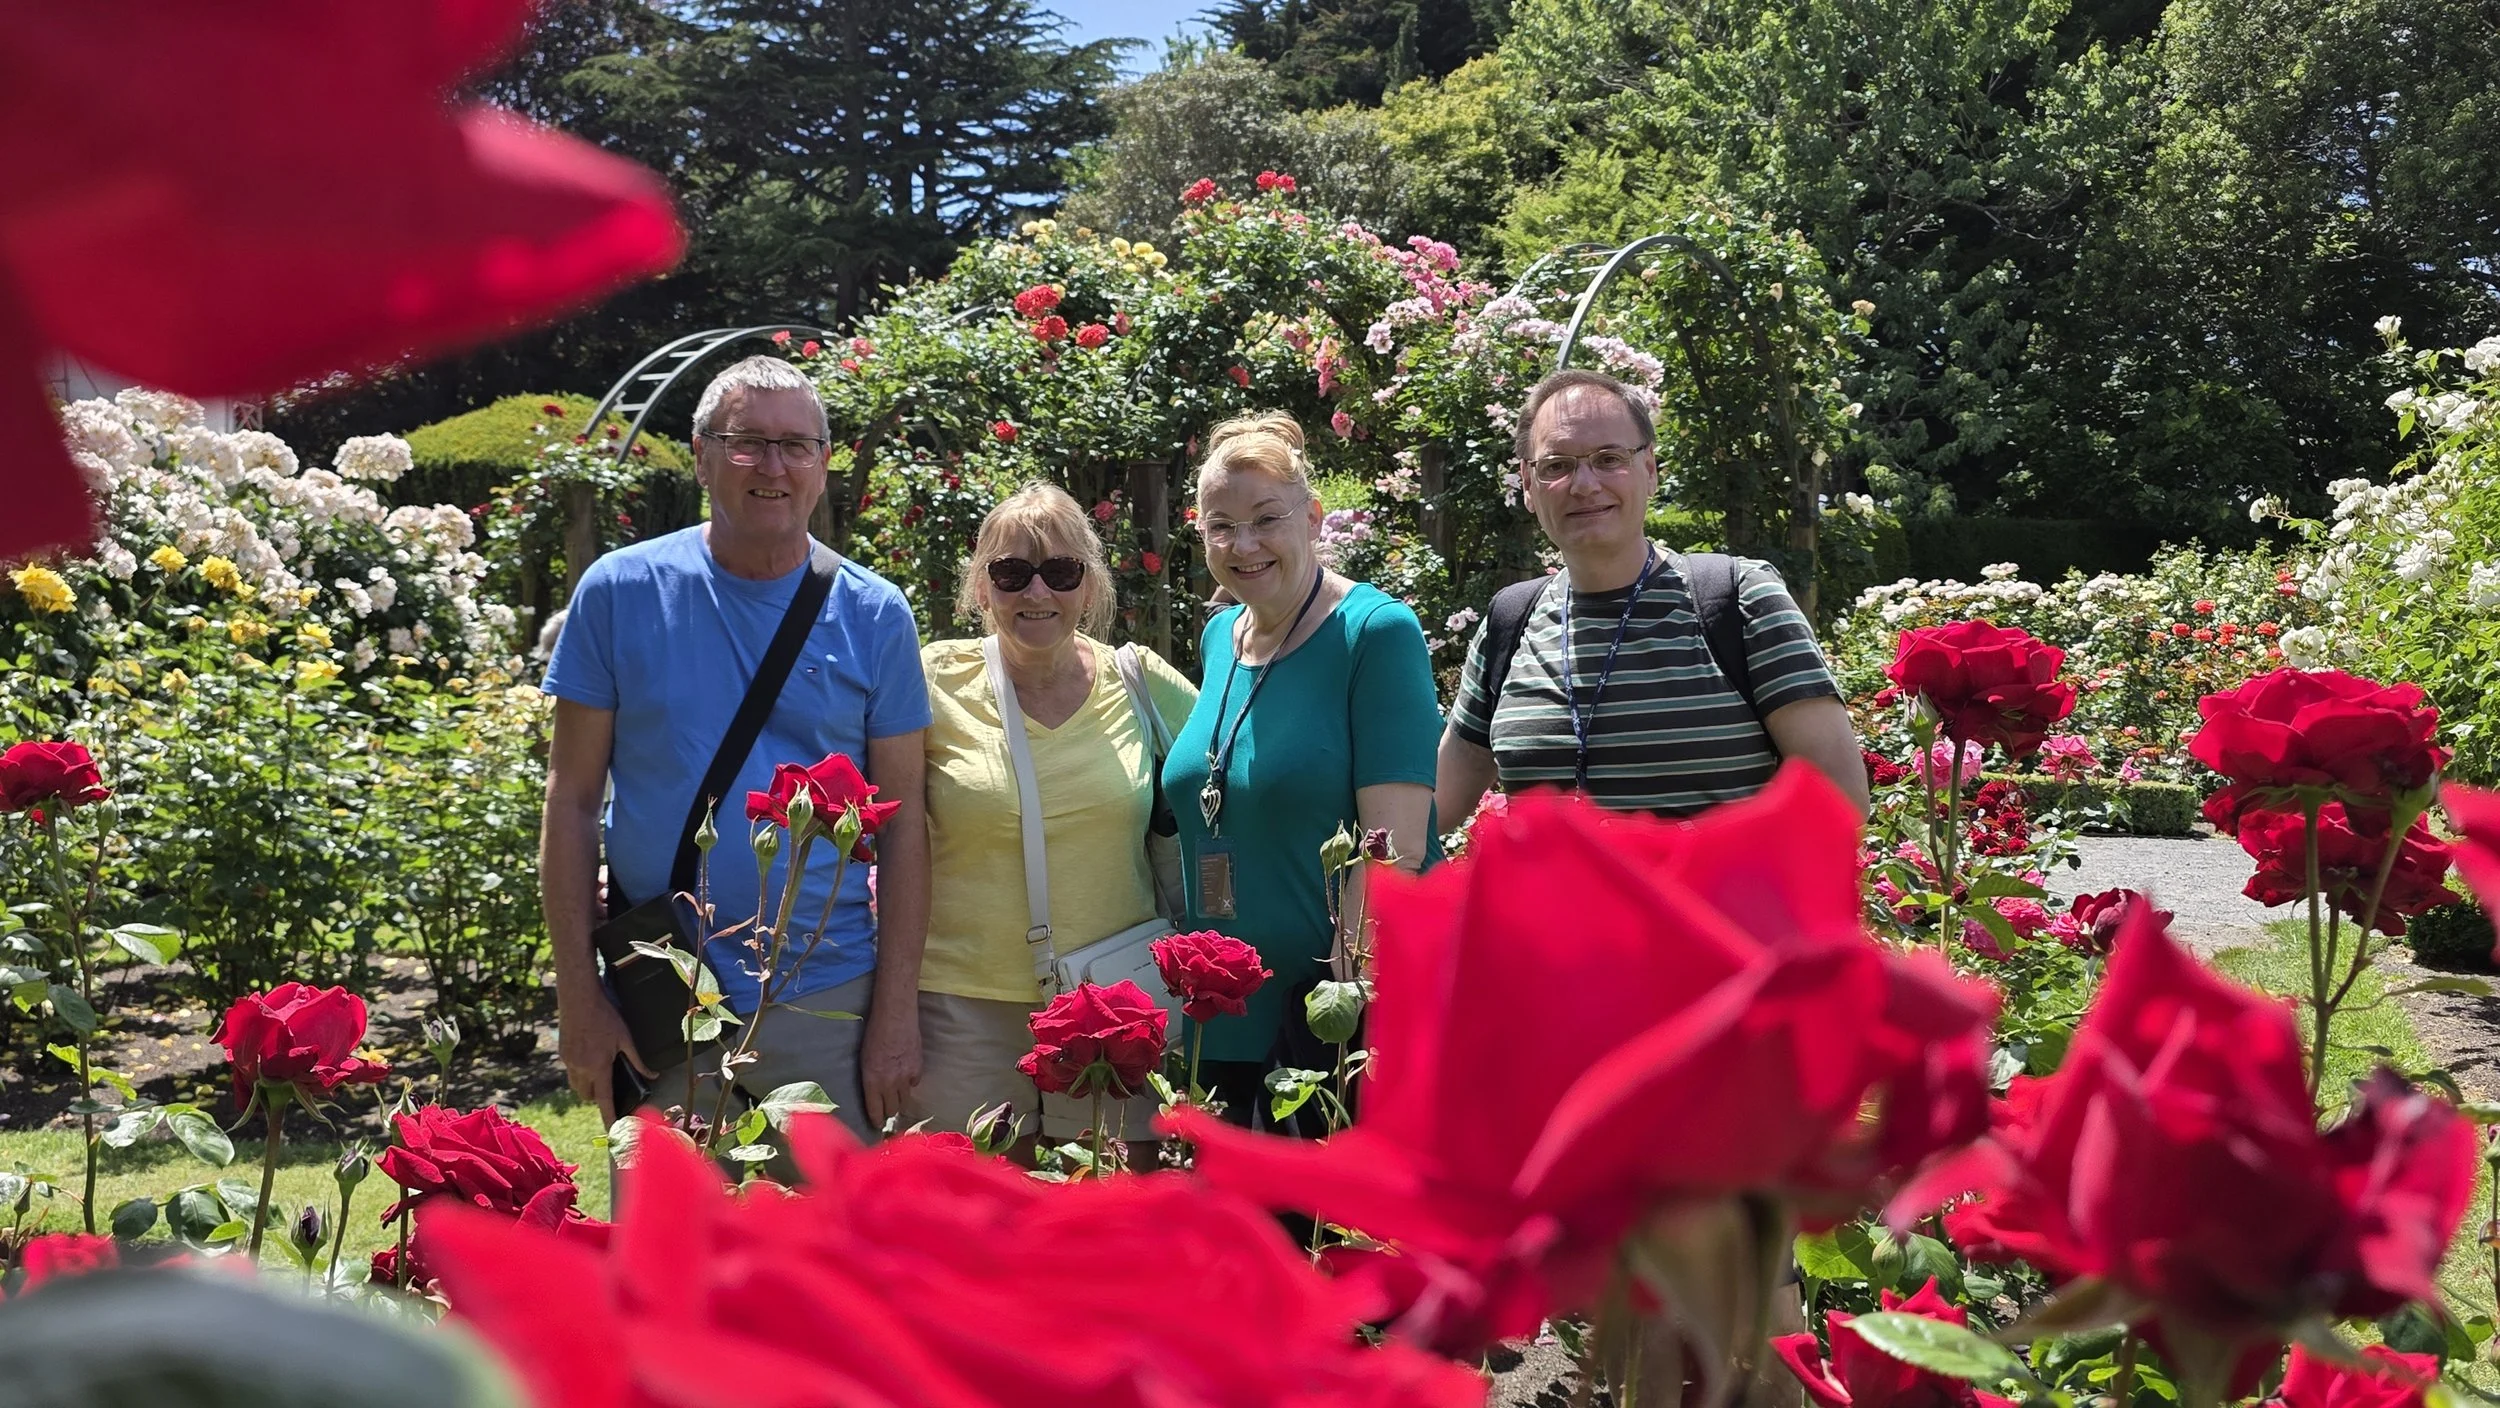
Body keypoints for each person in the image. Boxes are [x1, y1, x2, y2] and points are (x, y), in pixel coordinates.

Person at [540, 355, 932, 1142]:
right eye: (748, 442)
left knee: (824, 1258)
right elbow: (572, 801)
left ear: (825, 463)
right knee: (671, 1259)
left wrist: (893, 1016)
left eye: (797, 446)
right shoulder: (620, 593)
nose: (774, 467)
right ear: (701, 453)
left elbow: (905, 823)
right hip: (660, 1001)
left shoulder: (874, 613)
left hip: (829, 1002)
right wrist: (579, 1000)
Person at [1162, 412, 1442, 1123]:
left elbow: (1395, 852)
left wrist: (1336, 1023)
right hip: (1221, 1018)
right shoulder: (1222, 635)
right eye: (1220, 526)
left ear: (1313, 517)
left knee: (1314, 1233)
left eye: (1266, 519)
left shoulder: (1375, 633)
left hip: (1326, 1029)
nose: (1243, 544)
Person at [1436, 369, 1867, 824]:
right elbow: (1428, 812)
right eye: (1557, 465)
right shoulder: (1511, 621)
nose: (1584, 484)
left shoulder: (1740, 601)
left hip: (1713, 897)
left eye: (1608, 458)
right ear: (1527, 484)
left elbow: (1840, 803)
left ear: (1650, 469)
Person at [909, 483, 1197, 1148]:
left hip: (1112, 1005)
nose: (1036, 593)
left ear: (1090, 587)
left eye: (1061, 572)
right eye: (1011, 573)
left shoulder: (1139, 680)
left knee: (1108, 1223)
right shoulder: (933, 681)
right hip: (963, 1011)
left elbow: (1237, 769)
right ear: (980, 588)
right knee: (970, 1227)